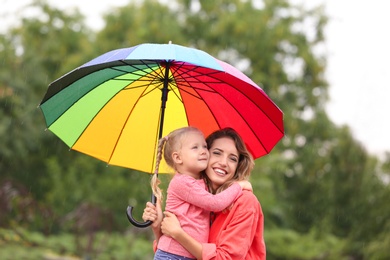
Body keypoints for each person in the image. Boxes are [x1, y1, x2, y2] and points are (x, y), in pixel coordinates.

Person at [144, 127, 266, 259]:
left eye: (233, 159)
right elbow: (173, 251)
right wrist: (158, 227)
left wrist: (178, 234)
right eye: (217, 153)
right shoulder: (199, 193)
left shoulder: (245, 201)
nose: (224, 163)